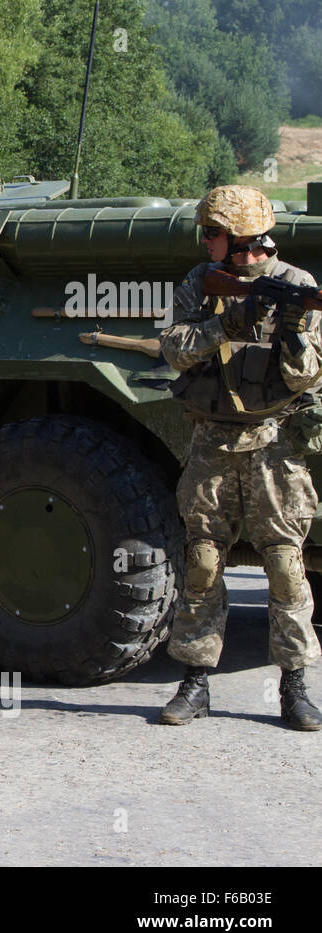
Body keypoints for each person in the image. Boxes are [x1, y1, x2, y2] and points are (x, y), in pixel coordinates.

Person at [160, 184, 322, 731]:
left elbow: (305, 377)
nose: (206, 241)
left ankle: (295, 687)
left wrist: (294, 332)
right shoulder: (199, 285)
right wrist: (227, 321)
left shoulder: (298, 286)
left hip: (275, 444)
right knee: (203, 561)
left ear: (240, 239)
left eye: (213, 233)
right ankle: (194, 682)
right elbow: (176, 350)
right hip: (213, 442)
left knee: (283, 565)